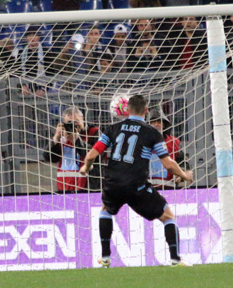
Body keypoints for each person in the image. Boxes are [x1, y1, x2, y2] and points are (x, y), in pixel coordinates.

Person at [79, 94, 194, 267]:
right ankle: (176, 259)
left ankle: (105, 258)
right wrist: (185, 176)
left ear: (127, 109)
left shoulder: (112, 128)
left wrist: (85, 168)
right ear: (146, 111)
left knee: (106, 210)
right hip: (136, 185)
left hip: (113, 183)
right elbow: (168, 164)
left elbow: (92, 155)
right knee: (168, 216)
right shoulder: (152, 132)